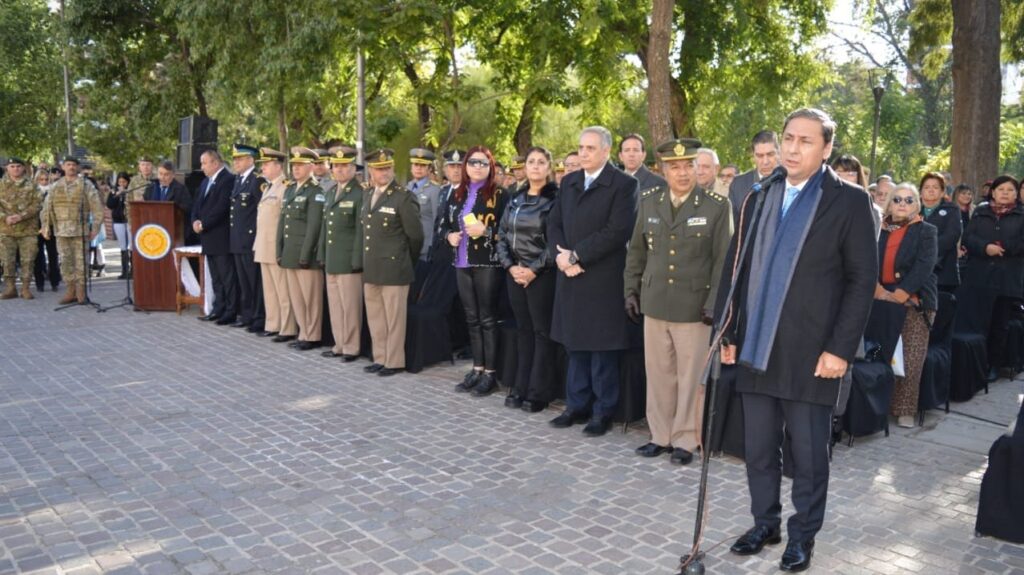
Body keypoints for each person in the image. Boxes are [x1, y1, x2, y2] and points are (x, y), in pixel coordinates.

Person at [719, 109, 877, 572]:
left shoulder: (849, 201)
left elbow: (861, 279)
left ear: (826, 148)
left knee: (808, 456)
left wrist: (840, 350)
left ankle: (802, 534)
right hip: (757, 348)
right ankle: (764, 522)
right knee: (760, 449)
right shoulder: (759, 195)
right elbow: (735, 268)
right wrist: (727, 330)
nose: (792, 148)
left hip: (814, 354)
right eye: (788, 138)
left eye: (805, 141)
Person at [624, 138, 732, 465]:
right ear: (663, 170)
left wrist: (716, 302)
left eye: (689, 166)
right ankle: (659, 435)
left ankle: (685, 440)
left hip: (695, 309)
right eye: (675, 167)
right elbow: (637, 251)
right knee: (658, 373)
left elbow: (722, 261)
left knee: (689, 378)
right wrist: (630, 290)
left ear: (698, 168)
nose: (683, 173)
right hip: (654, 302)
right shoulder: (649, 200)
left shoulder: (716, 206)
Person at [547, 126, 638, 437]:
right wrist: (560, 257)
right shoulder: (569, 181)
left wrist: (577, 256)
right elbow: (554, 222)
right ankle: (576, 405)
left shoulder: (624, 185)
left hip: (601, 280)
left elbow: (617, 231)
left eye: (589, 148)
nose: (583, 153)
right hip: (570, 278)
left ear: (606, 152)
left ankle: (602, 412)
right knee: (576, 347)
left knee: (601, 350)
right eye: (581, 147)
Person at [496, 146, 559, 410]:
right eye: (531, 161)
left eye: (540, 162)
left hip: (541, 276)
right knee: (523, 333)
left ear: (548, 168)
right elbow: (501, 236)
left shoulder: (555, 200)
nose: (534, 166)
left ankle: (538, 393)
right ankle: (520, 387)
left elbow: (555, 242)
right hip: (515, 274)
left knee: (541, 333)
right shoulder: (515, 198)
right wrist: (511, 267)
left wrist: (533, 270)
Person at [442, 146, 508, 396]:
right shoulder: (456, 193)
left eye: (483, 163)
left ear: (491, 166)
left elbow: (509, 232)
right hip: (461, 262)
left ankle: (491, 373)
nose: (478, 167)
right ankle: (477, 367)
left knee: (487, 318)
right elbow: (442, 225)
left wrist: (486, 232)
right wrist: (449, 236)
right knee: (471, 318)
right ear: (466, 166)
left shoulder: (501, 194)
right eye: (473, 163)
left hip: (487, 263)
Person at [875, 182, 938, 428]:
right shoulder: (878, 228)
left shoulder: (926, 230)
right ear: (889, 203)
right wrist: (879, 290)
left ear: (917, 205)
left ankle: (905, 410)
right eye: (897, 199)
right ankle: (877, 406)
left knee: (910, 357)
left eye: (909, 200)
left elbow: (925, 266)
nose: (902, 204)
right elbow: (867, 260)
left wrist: (900, 294)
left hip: (915, 300)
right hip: (879, 297)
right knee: (879, 353)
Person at [361, 148, 424, 377]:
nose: (383, 173)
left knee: (394, 318)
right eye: (379, 169)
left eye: (387, 168)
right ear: (371, 171)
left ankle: (394, 361)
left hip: (395, 267)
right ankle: (380, 357)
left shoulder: (403, 197)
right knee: (376, 317)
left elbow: (416, 236)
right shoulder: (368, 195)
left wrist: (406, 260)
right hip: (372, 266)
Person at [962, 175, 1024, 378]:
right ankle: (975, 364)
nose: (1005, 193)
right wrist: (984, 247)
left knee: (999, 324)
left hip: (1007, 279)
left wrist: (1002, 247)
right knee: (977, 321)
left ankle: (993, 365)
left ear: (1016, 194)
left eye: (1010, 190)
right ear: (993, 192)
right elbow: (968, 237)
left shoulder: (1021, 214)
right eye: (1001, 189)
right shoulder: (980, 211)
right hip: (979, 276)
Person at [277, 147, 325, 351]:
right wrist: (279, 249)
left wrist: (306, 254)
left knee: (310, 298)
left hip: (306, 254)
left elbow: (314, 226)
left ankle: (312, 335)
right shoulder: (289, 189)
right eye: (294, 165)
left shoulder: (316, 191)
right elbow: (283, 222)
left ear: (311, 167)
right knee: (296, 297)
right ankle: (303, 331)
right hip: (289, 252)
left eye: (300, 165)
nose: (296, 169)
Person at [318, 146, 364, 362]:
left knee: (350, 306)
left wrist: (356, 259)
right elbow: (325, 227)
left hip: (348, 260)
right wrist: (322, 254)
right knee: (335, 305)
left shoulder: (359, 193)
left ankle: (351, 347)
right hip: (332, 259)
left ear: (354, 168)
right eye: (336, 166)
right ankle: (339, 344)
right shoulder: (329, 193)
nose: (340, 170)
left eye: (345, 166)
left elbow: (360, 231)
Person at [40, 157, 104, 304]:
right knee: (66, 262)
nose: (71, 167)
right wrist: (45, 227)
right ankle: (70, 291)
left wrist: (95, 228)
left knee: (81, 262)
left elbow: (97, 207)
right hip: (61, 231)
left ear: (78, 167)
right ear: (63, 167)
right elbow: (46, 208)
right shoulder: (56, 186)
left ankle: (81, 292)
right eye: (68, 165)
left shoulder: (86, 185)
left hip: (80, 231)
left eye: (74, 165)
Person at [253, 148, 298, 342]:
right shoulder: (268, 187)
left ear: (278, 166)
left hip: (276, 246)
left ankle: (287, 328)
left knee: (282, 290)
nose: (263, 167)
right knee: (270, 290)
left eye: (266, 164)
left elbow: (284, 221)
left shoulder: (286, 187)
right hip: (263, 244)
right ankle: (273, 324)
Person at [191, 149, 237, 324]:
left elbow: (221, 207)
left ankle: (231, 311)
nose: (201, 167)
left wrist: (204, 224)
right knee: (216, 277)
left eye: (204, 163)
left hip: (221, 236)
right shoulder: (205, 182)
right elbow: (197, 205)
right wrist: (195, 220)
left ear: (215, 163)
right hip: (207, 237)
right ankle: (218, 308)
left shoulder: (228, 180)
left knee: (227, 277)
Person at [226, 145, 266, 332]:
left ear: (251, 160)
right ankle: (247, 315)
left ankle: (258, 317)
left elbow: (261, 212)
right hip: (237, 240)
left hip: (250, 240)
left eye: (240, 159)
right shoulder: (238, 180)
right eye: (235, 159)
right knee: (244, 282)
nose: (236, 163)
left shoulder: (257, 181)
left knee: (254, 281)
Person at [0, 157, 42, 299]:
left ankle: (25, 288)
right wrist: (5, 217)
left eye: (18, 166)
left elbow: (38, 204)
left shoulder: (33, 185)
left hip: (28, 230)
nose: (16, 169)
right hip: (6, 229)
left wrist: (21, 216)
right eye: (12, 166)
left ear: (24, 168)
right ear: (7, 168)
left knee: (28, 260)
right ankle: (10, 288)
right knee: (7, 260)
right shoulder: (1, 185)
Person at [919, 172, 962, 293]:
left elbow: (951, 236)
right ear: (920, 192)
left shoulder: (952, 209)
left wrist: (927, 249)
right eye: (927, 187)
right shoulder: (914, 210)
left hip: (943, 272)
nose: (931, 190)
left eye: (935, 187)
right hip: (916, 271)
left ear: (943, 192)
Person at [728, 130, 780, 223]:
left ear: (779, 152)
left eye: (770, 154)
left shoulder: (792, 180)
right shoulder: (738, 185)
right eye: (760, 156)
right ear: (753, 156)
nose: (765, 161)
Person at [831, 154, 882, 236]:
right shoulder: (820, 205)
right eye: (838, 174)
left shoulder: (872, 211)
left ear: (858, 177)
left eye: (850, 174)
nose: (844, 179)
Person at [407, 148, 442, 261]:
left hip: (425, 248)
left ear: (428, 169)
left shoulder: (434, 190)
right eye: (416, 164)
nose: (418, 168)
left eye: (422, 165)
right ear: (411, 167)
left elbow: (437, 221)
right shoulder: (406, 188)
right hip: (407, 247)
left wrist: (433, 246)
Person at [145, 160, 193, 234]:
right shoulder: (150, 189)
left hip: (174, 230)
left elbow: (187, 209)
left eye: (166, 174)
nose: (162, 177)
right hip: (153, 229)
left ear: (173, 175)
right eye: (160, 174)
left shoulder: (181, 190)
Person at [33, 169, 60, 292]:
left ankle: (54, 281)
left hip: (51, 225)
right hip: (36, 226)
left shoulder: (54, 191)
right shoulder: (32, 192)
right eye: (41, 179)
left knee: (53, 255)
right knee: (37, 255)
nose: (44, 182)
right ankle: (40, 282)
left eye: (46, 179)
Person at [107, 173, 132, 279]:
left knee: (131, 245)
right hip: (118, 220)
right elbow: (110, 204)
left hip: (129, 220)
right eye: (120, 182)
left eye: (124, 182)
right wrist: (117, 195)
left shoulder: (130, 191)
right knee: (123, 246)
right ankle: (124, 270)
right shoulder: (113, 192)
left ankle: (133, 270)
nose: (122, 184)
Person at [126, 157, 155, 236]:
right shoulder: (134, 181)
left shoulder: (157, 179)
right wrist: (130, 221)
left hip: (154, 217)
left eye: (148, 165)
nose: (145, 167)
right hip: (138, 217)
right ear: (139, 167)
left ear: (152, 166)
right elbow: (128, 200)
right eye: (143, 165)